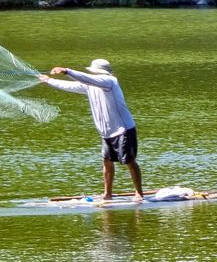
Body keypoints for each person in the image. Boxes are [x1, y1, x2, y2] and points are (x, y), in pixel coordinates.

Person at [38, 58, 143, 202]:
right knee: (106, 161)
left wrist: (67, 71)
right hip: (106, 132)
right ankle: (107, 194)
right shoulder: (90, 85)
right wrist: (48, 80)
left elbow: (86, 78)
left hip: (123, 129)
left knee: (129, 161)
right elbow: (70, 86)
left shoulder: (110, 81)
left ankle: (139, 193)